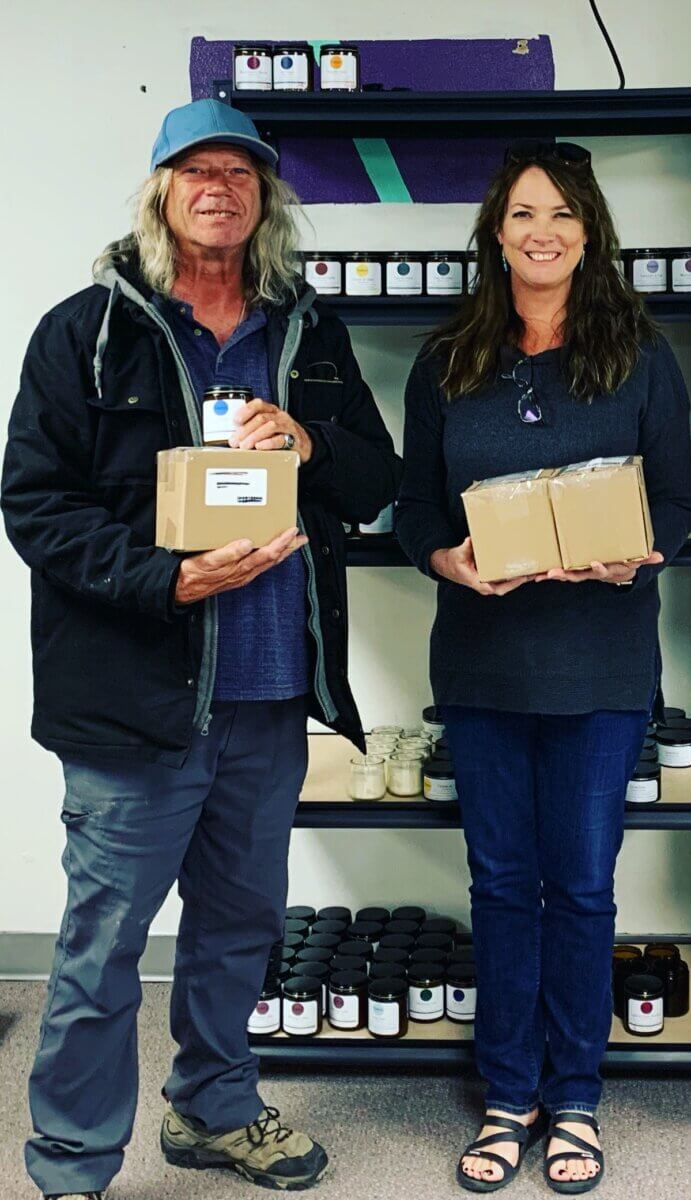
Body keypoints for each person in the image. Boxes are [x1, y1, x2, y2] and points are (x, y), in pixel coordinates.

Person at [2, 98, 399, 1200]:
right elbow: (34, 505)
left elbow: (376, 483)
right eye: (195, 171)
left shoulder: (304, 333)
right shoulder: (86, 331)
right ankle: (74, 1162)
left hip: (269, 701)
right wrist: (166, 578)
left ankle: (213, 1112)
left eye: (239, 171)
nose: (218, 187)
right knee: (98, 953)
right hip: (136, 702)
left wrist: (311, 438)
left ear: (264, 196)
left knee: (237, 933)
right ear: (161, 193)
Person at [396, 140, 691, 1195]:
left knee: (579, 889)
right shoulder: (448, 361)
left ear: (589, 231)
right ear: (495, 232)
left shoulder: (641, 357)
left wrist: (645, 548)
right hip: (482, 665)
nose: (542, 231)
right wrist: (442, 558)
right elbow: (415, 507)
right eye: (523, 212)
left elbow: (686, 503)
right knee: (501, 886)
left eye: (563, 212)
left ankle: (574, 1098)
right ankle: (506, 1095)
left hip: (600, 668)